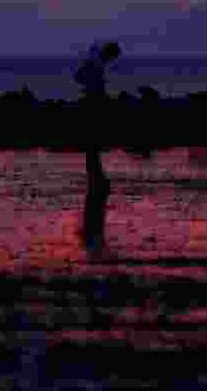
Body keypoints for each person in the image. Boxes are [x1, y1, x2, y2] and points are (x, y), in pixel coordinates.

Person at [74, 42, 121, 255]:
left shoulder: (96, 63)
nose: (111, 61)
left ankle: (90, 227)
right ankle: (91, 230)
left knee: (93, 151)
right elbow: (81, 77)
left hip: (92, 109)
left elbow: (82, 78)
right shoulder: (95, 64)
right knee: (92, 150)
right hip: (91, 110)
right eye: (112, 57)